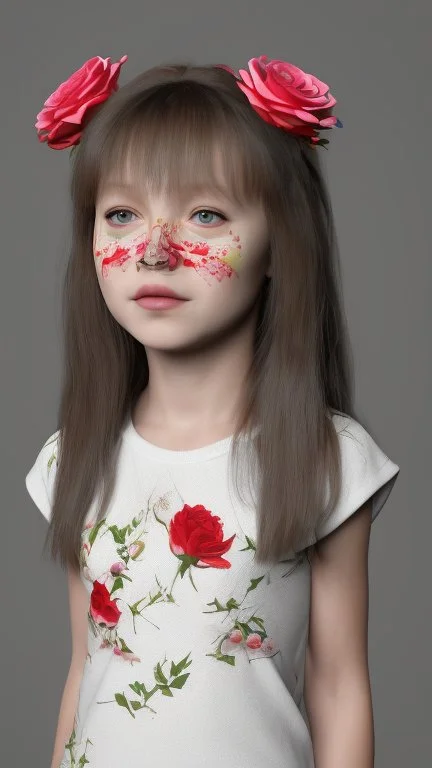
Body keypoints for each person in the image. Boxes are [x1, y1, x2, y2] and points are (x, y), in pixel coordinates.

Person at [26, 53, 400, 768]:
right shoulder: (73, 457)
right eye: (122, 214)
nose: (155, 251)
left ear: (276, 247)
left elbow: (339, 684)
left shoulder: (327, 459)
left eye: (205, 214)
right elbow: (86, 670)